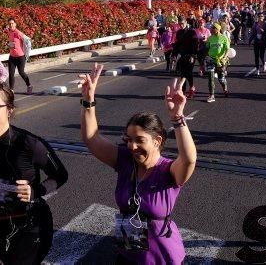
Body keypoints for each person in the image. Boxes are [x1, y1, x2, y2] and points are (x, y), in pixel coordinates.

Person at [79, 64, 196, 264]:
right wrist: (88, 101)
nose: (132, 146)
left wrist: (177, 119)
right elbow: (92, 138)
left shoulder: (168, 170)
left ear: (157, 141)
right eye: (129, 139)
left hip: (162, 259)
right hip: (128, 255)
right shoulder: (125, 160)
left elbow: (189, 159)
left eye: (140, 140)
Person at [0, 81, 68, 264]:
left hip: (31, 224)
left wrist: (36, 191)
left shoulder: (29, 143)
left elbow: (60, 175)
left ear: (9, 110)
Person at [172, 17, 199, 98]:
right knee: (182, 74)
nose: (181, 25)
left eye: (182, 23)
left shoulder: (192, 32)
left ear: (186, 23)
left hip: (190, 55)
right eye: (180, 24)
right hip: (182, 55)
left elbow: (195, 45)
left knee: (188, 73)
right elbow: (177, 45)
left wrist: (193, 55)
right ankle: (183, 92)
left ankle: (191, 88)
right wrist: (174, 55)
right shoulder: (179, 32)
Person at [6, 18, 33, 94]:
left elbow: (27, 40)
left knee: (21, 72)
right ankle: (11, 90)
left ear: (15, 24)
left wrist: (27, 51)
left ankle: (29, 85)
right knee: (11, 74)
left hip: (20, 57)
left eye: (12, 23)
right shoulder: (9, 32)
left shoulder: (18, 32)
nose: (11, 25)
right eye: (10, 24)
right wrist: (10, 45)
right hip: (12, 57)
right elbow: (13, 42)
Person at [206, 22, 230, 103]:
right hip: (211, 59)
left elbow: (227, 49)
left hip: (220, 60)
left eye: (214, 28)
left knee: (221, 79)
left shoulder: (224, 38)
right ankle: (211, 95)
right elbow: (207, 48)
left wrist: (224, 58)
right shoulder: (210, 38)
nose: (212, 30)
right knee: (210, 77)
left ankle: (225, 88)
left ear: (218, 29)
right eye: (212, 28)